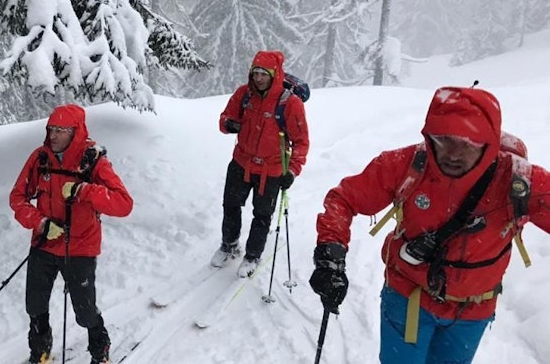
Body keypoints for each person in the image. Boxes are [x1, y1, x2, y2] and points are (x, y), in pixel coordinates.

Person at [309, 86, 550, 364]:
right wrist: (330, 256)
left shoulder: (519, 181)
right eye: (443, 139)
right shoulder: (407, 165)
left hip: (472, 313)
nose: (453, 154)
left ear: (489, 144)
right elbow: (344, 199)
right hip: (408, 298)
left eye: (468, 144)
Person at [9, 104, 133, 364]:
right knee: (35, 305)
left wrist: (84, 191)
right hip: (44, 243)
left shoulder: (93, 161)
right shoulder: (40, 158)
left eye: (60, 130)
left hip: (80, 247)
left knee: (85, 312)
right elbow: (18, 198)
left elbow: (123, 204)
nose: (52, 135)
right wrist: (40, 223)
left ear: (75, 132)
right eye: (50, 129)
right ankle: (40, 350)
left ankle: (100, 351)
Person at [212, 50, 309, 277]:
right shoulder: (244, 94)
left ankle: (252, 256)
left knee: (262, 215)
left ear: (274, 75)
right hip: (241, 162)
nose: (258, 78)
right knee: (231, 206)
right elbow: (224, 118)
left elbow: (301, 142)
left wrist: (292, 171)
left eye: (264, 74)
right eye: (255, 72)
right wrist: (230, 125)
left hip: (272, 170)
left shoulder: (290, 103)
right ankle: (229, 245)